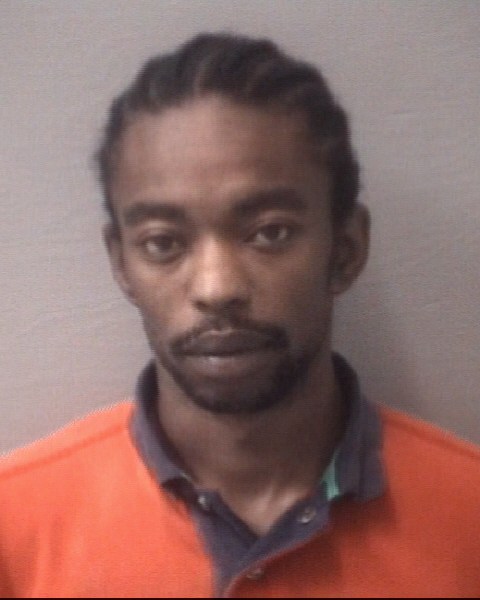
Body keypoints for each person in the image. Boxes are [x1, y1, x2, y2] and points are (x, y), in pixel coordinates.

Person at [1, 33, 479, 598]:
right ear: (122, 264)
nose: (217, 288)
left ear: (346, 250)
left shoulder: (468, 516)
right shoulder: (14, 529)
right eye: (163, 242)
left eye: (269, 233)